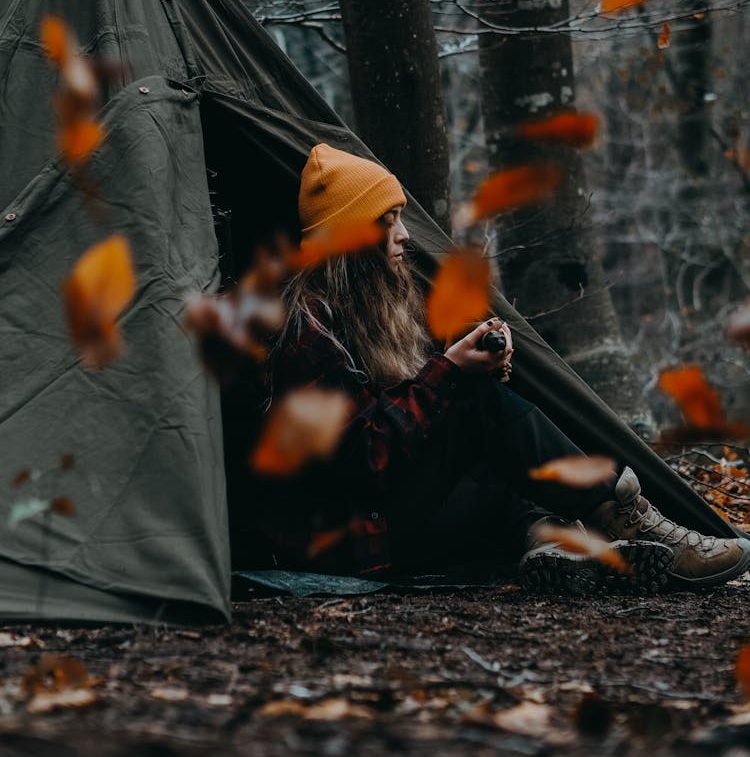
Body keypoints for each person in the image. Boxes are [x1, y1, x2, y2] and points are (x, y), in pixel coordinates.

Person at [260, 143, 750, 592]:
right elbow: (365, 458)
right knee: (476, 402)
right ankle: (624, 517)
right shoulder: (309, 330)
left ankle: (558, 545)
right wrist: (450, 373)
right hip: (358, 546)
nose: (405, 236)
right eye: (388, 221)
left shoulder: (366, 309)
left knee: (493, 451)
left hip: (396, 521)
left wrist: (462, 361)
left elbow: (408, 423)